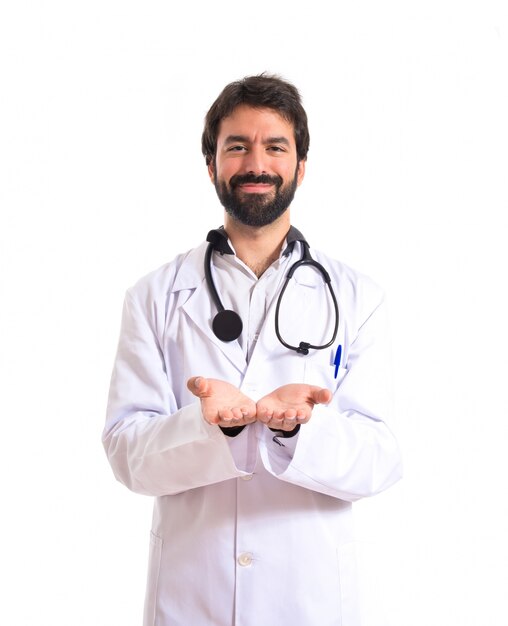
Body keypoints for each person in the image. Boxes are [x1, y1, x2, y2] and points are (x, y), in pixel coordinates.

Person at [103, 73, 402, 626]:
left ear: (301, 166)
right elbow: (127, 455)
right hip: (193, 596)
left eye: (275, 146)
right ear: (211, 164)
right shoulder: (153, 296)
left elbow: (381, 458)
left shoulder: (358, 298)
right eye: (236, 146)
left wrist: (295, 429)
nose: (255, 163)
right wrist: (212, 428)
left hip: (307, 597)